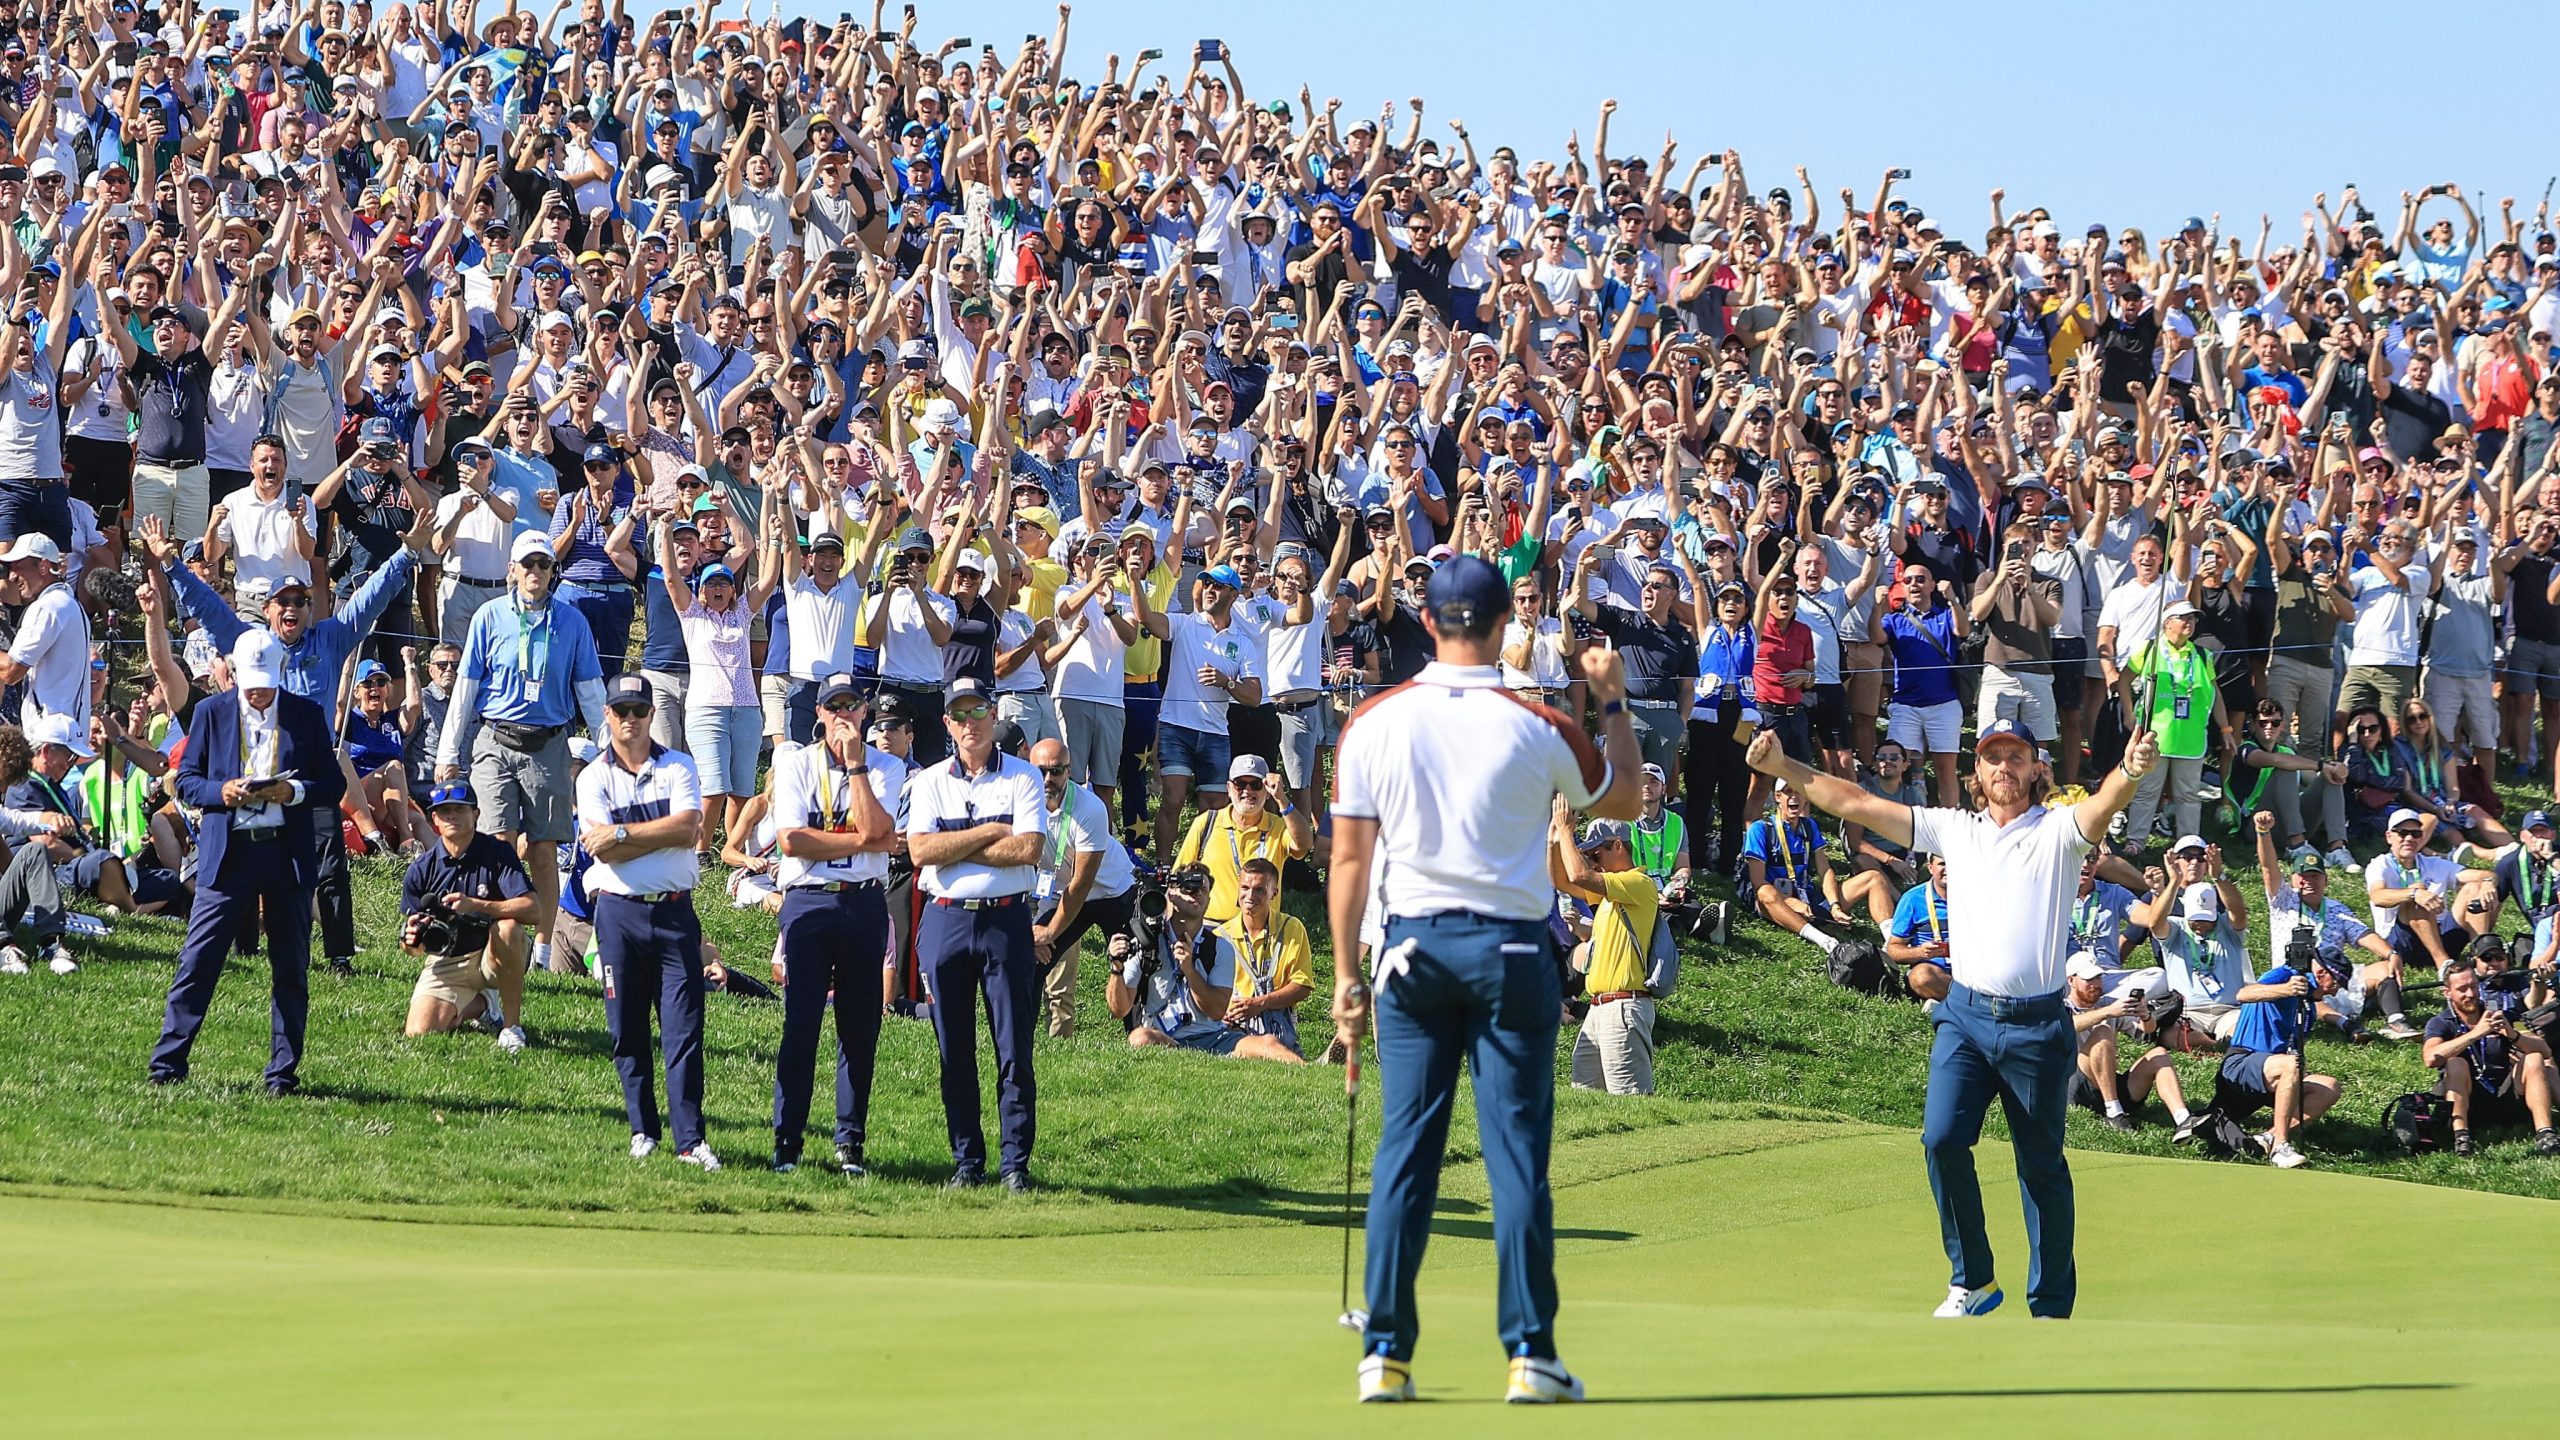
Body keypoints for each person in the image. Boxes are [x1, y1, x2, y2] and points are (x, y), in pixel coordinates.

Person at [1328, 556, 1640, 1403]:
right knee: (1515, 1158)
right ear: (1506, 623)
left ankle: (1385, 1353)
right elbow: (1630, 799)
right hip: (1511, 954)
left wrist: (1345, 976)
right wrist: (1608, 694)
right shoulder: (1538, 722)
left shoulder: (1374, 721)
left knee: (1406, 1152)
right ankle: (1531, 1353)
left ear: (1426, 622)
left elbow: (1349, 861)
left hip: (1412, 952)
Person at [1746, 715, 2161, 1321]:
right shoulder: (1953, 831)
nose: (2004, 768)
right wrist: (1783, 766)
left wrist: (2128, 770)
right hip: (1964, 1015)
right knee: (1941, 1140)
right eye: (1993, 757)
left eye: (2016, 756)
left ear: (2036, 767)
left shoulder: (2058, 831)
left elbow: (2101, 807)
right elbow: (1857, 800)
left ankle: (2049, 1306)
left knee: (2040, 1166)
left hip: (2036, 1023)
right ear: (1975, 774)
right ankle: (1974, 1280)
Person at [149, 631, 348, 1095]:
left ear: (280, 674)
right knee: (198, 961)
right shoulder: (210, 713)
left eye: (265, 685)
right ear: (233, 674)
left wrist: (292, 792)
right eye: (249, 684)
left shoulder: (306, 715)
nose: (257, 694)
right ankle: (167, 1064)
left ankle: (282, 1074)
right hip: (229, 854)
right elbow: (187, 781)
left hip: (286, 853)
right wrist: (221, 792)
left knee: (290, 968)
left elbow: (332, 785)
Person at [437, 530, 610, 977]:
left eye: (544, 565)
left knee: (544, 849)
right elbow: (467, 689)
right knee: (496, 841)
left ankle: (544, 946)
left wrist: (611, 753)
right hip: (495, 739)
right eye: (527, 565)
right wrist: (447, 751)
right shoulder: (489, 617)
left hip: (549, 743)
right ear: (511, 570)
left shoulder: (572, 622)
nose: (536, 573)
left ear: (554, 572)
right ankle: (497, 934)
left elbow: (590, 692)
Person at [902, 677, 1049, 1191]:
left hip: (1006, 921)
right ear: (947, 723)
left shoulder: (1026, 777)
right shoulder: (928, 782)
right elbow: (919, 852)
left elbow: (1029, 849)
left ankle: (1014, 1165)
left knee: (1013, 1051)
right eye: (959, 715)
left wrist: (953, 844)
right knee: (954, 1050)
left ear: (993, 716)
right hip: (946, 920)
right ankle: (967, 1162)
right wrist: (990, 832)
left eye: (978, 712)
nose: (970, 723)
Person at [577, 673, 717, 1171]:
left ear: (651, 715)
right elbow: (600, 850)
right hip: (619, 915)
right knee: (627, 1028)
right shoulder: (591, 777)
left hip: (675, 911)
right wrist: (641, 837)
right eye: (621, 711)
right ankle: (643, 1130)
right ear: (608, 717)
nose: (630, 720)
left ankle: (690, 1139)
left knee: (683, 1030)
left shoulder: (678, 765)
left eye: (639, 711)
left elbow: (688, 829)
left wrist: (622, 834)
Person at [767, 672, 903, 1176]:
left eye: (852, 705)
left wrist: (857, 767)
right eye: (834, 706)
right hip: (807, 902)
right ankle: (788, 1141)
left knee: (859, 1029)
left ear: (864, 712)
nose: (843, 714)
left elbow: (878, 828)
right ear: (819, 714)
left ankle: (850, 1143)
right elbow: (791, 841)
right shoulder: (796, 763)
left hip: (863, 904)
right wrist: (865, 842)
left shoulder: (885, 765)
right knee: (800, 1025)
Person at [397, 780, 536, 1050]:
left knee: (506, 928)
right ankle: (483, 1006)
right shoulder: (421, 869)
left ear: (476, 814)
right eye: (444, 810)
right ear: (433, 819)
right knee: (419, 1031)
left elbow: (533, 910)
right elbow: (413, 949)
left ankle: (512, 1027)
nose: (452, 816)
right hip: (449, 959)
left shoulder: (497, 853)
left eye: (459, 809)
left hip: (493, 952)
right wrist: (411, 940)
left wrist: (476, 906)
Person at [2253, 810, 2414, 1042]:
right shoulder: (2283, 900)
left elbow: (2363, 934)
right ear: (2294, 880)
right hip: (2298, 978)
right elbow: (2268, 868)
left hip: (2336, 976)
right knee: (2302, 992)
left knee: (2383, 968)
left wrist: (2391, 953)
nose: (2309, 882)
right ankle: (2346, 1023)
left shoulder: (2337, 908)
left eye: (2315, 877)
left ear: (2325, 881)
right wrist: (2264, 832)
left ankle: (2397, 1021)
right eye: (2304, 877)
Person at [1026, 735, 1140, 1041]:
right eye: (1040, 771)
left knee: (1131, 965)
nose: (1048, 779)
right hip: (1060, 890)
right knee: (1031, 957)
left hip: (1114, 892)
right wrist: (1038, 931)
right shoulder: (1021, 802)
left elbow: (1082, 883)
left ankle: (1140, 1039)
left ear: (1070, 770)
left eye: (1057, 771)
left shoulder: (1090, 808)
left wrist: (1050, 932)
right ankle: (1021, 1036)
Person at [1552, 813, 1662, 1096]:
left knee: (1631, 1100)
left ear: (1618, 846)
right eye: (1587, 853)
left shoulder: (1638, 883)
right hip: (1600, 1008)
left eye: (1596, 852)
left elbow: (1578, 875)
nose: (1592, 860)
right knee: (1586, 1096)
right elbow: (1562, 880)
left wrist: (1566, 831)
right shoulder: (1609, 895)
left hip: (1624, 1006)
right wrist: (1554, 838)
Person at [2206, 955, 2344, 1169]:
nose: (2335, 992)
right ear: (2321, 973)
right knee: (2290, 1064)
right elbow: (2244, 994)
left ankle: (2267, 1138)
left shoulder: (2308, 1006)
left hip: (2273, 1071)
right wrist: (2286, 989)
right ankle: (2281, 1147)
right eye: (2335, 984)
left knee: (2330, 1087)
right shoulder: (2285, 975)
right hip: (2242, 1061)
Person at [2424, 959, 2560, 1158]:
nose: (2470, 994)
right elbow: (2430, 1057)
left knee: (2534, 1059)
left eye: (2473, 986)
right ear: (2448, 993)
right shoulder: (2441, 1022)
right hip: (2468, 1100)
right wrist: (2475, 1034)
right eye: (2462, 989)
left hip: (2504, 1094)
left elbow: (2545, 1050)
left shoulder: (2496, 1014)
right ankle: (2461, 1137)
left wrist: (2513, 1035)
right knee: (2455, 1063)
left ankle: (2546, 1134)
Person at [2064, 952, 2198, 1137]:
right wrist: (2107, 1013)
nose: (2095, 985)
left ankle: (2183, 1119)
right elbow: (2067, 1026)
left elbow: (2148, 1031)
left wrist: (2145, 1015)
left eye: (2098, 978)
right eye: (2089, 980)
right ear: (2071, 981)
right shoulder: (2061, 1007)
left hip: (2109, 1082)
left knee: (2159, 1054)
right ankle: (2114, 1113)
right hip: (2077, 1087)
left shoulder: (2107, 1003)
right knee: (2103, 1033)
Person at [1210, 857, 1317, 1062]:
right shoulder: (1219, 937)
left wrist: (1261, 1003)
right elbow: (1205, 994)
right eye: (1245, 887)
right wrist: (1220, 1013)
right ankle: (1306, 1065)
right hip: (1233, 1025)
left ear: (1274, 893)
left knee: (1274, 1044)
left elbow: (1303, 985)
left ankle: (1301, 1062)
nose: (1250, 895)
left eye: (1260, 889)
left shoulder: (1291, 928)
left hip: (1278, 1020)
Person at [0, 533, 90, 734]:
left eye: (17, 567)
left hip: (50, 737)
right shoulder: (70, 603)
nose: (12, 576)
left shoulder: (47, 607)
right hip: (66, 733)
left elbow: (11, 672)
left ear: (42, 566)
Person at [1884, 852, 1953, 1003]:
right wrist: (1921, 952)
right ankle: (1972, 1003)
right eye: (1942, 864)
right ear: (1930, 868)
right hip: (1935, 970)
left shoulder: (1979, 895)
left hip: (1974, 969)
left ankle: (1951, 1002)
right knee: (1921, 977)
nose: (1949, 868)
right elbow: (1894, 949)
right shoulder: (1912, 898)